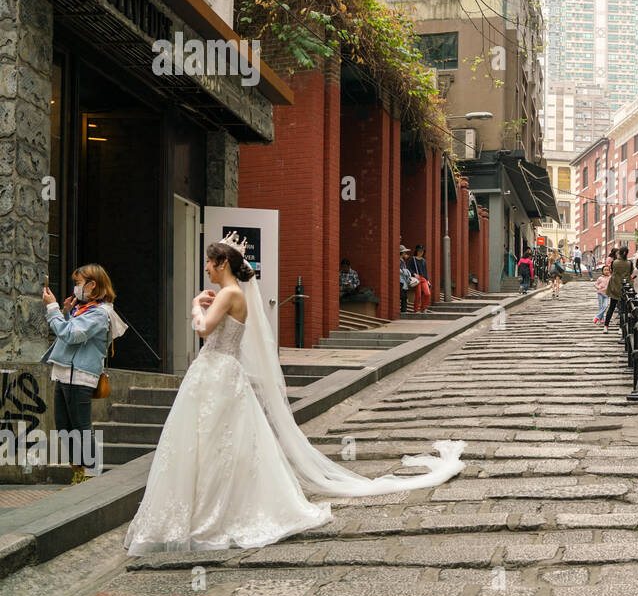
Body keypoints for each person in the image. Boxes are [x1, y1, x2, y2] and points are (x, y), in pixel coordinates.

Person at [123, 234, 465, 555]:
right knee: (220, 445)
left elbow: (202, 329)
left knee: (213, 443)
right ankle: (209, 512)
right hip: (218, 375)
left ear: (222, 264)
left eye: (210, 264)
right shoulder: (233, 295)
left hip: (216, 374)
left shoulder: (228, 294)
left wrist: (197, 304)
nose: (207, 269)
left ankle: (206, 517)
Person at [39, 264, 127, 482]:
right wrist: (66, 312)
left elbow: (71, 335)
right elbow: (71, 334)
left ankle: (90, 475)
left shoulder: (100, 313)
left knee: (81, 427)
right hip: (64, 372)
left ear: (92, 284)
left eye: (78, 283)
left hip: (81, 375)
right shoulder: (83, 309)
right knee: (63, 427)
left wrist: (53, 309)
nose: (75, 287)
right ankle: (78, 471)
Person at [605, 246, 633, 329]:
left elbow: (612, 271)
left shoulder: (614, 262)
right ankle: (621, 328)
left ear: (619, 253)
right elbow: (630, 272)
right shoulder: (629, 263)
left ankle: (606, 326)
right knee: (623, 309)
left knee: (611, 307)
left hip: (615, 286)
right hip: (625, 288)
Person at [411, 244, 431, 313]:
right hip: (417, 279)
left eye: (422, 251)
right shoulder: (412, 259)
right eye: (419, 251)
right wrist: (413, 274)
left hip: (423, 279)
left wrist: (428, 280)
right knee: (418, 295)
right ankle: (416, 310)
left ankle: (423, 308)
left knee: (427, 293)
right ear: (416, 251)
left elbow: (425, 272)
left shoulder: (423, 261)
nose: (420, 252)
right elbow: (409, 269)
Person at [398, 245, 416, 312]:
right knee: (402, 296)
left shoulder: (402, 261)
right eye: (404, 252)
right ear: (401, 253)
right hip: (401, 281)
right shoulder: (399, 261)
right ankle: (403, 310)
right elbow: (399, 270)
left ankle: (404, 309)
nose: (405, 254)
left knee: (404, 296)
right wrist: (405, 272)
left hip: (404, 281)